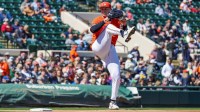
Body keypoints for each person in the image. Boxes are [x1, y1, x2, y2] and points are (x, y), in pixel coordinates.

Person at [90, 1, 135, 110]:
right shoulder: (99, 19)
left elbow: (123, 26)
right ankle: (123, 33)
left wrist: (124, 24)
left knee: (116, 75)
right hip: (98, 46)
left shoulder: (116, 20)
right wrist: (105, 21)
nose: (103, 10)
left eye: (106, 9)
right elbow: (92, 29)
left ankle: (113, 101)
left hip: (110, 49)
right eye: (102, 9)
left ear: (110, 9)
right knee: (108, 27)